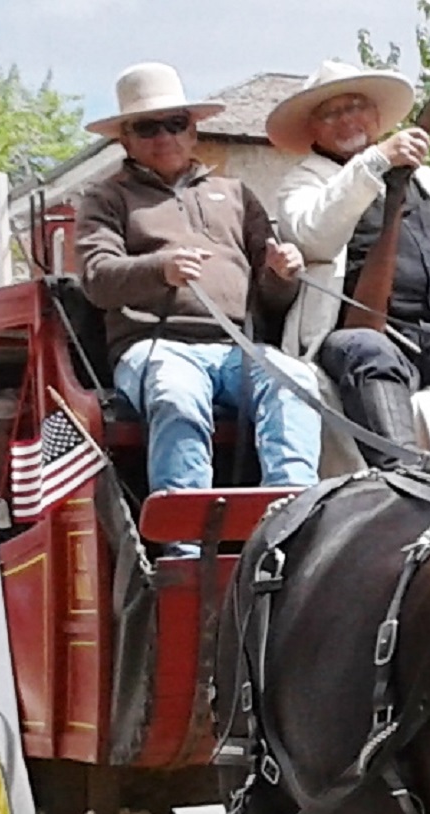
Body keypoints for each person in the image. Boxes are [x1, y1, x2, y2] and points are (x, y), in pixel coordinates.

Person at [76, 62, 322, 497]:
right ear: (125, 139)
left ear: (192, 131)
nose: (165, 136)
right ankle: (183, 545)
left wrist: (281, 275)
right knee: (177, 394)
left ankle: (294, 518)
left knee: (297, 381)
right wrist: (160, 269)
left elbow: (272, 296)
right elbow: (97, 279)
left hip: (237, 349)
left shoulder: (236, 194)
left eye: (176, 123)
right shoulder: (106, 198)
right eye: (148, 128)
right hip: (155, 347)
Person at [267, 59, 430, 455]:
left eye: (356, 107)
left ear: (375, 115)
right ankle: (400, 485)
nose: (347, 119)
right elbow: (313, 235)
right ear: (313, 129)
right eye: (332, 112)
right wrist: (376, 162)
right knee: (369, 354)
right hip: (362, 335)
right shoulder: (303, 184)